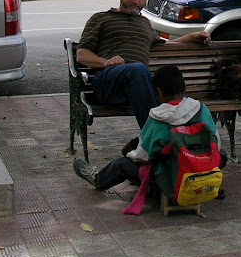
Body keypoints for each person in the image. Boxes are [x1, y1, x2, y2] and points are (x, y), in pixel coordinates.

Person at [76, 0, 210, 128]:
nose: (136, 1)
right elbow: (81, 54)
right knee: (138, 70)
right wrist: (105, 62)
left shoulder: (144, 23)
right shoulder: (101, 19)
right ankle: (153, 138)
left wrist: (192, 37)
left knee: (171, 83)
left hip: (138, 84)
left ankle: (195, 140)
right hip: (108, 83)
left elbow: (164, 46)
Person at [73, 65, 224, 193]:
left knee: (122, 164)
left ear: (157, 92)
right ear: (185, 89)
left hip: (169, 177)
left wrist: (129, 154)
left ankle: (99, 179)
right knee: (222, 154)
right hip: (199, 167)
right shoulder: (201, 109)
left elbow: (143, 155)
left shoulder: (157, 117)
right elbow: (215, 143)